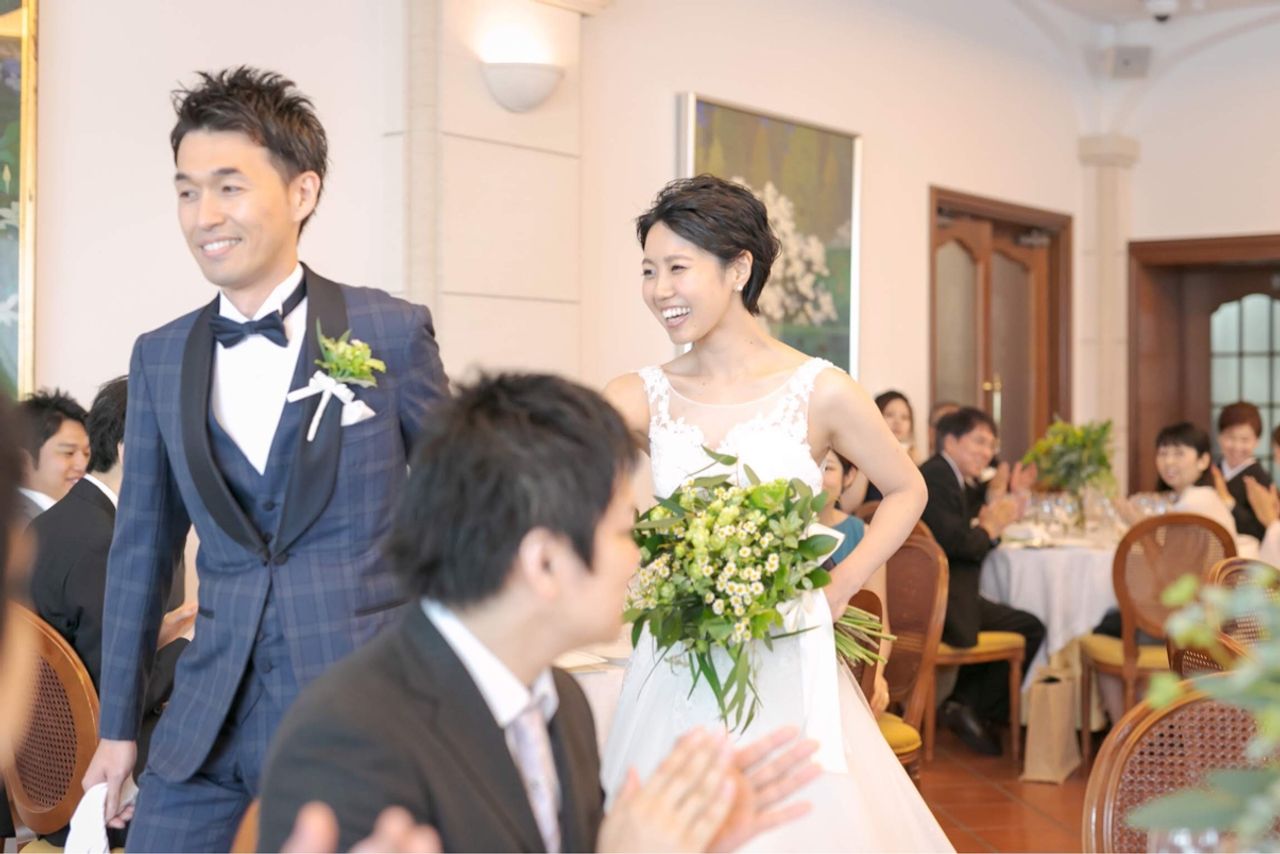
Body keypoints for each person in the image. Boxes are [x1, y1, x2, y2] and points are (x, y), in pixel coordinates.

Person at [82, 67, 447, 852]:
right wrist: (118, 727)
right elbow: (140, 550)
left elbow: (466, 508)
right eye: (187, 192)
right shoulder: (159, 356)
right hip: (206, 718)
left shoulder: (387, 332)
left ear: (303, 191)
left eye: (228, 187)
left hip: (357, 707)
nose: (203, 216)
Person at [258, 373, 819, 852]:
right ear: (544, 562)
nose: (639, 557)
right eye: (624, 531)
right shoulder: (351, 739)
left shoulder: (560, 702)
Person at [601, 175, 949, 851]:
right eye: (648, 271)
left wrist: (843, 584)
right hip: (677, 659)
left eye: (677, 268)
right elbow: (572, 487)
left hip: (787, 651)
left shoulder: (820, 390)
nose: (659, 289)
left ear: (739, 268)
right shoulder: (638, 395)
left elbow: (908, 490)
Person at [29, 377, 195, 847]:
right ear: (130, 450)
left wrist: (165, 631)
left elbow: (84, 657)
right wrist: (193, 648)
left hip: (41, 776)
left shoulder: (53, 525)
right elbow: (115, 698)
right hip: (89, 787)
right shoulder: (107, 544)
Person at [919, 407, 1045, 757]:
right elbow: (960, 544)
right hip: (942, 603)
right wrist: (991, 527)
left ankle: (965, 703)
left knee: (1025, 623)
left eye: (991, 445)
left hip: (950, 594)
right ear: (950, 441)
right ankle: (971, 706)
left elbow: (975, 522)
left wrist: (1005, 500)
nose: (987, 453)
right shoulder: (936, 477)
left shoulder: (952, 477)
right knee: (1030, 627)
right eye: (979, 442)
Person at [817, 450, 891, 716]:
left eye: (828, 468)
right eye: (810, 463)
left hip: (848, 666)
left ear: (849, 477)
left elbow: (879, 625)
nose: (816, 475)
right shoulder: (775, 533)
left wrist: (875, 674)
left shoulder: (863, 536)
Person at [16, 388, 89, 521]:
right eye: (69, 453)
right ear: (23, 461)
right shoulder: (14, 524)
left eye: (87, 453)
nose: (83, 465)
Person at [1212, 402, 1271, 541]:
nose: (1237, 446)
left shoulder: (1260, 479)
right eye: (1230, 437)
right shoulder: (1212, 471)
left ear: (1256, 441)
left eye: (1245, 440)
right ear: (1219, 437)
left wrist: (1228, 501)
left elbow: (1263, 530)